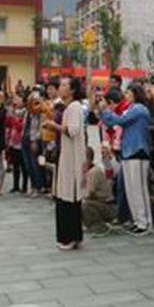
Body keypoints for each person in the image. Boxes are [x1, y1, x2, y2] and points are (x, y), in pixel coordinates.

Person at [100, 83, 154, 236]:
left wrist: (105, 110)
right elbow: (113, 121)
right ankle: (138, 221)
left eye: (129, 93)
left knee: (138, 189)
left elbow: (119, 120)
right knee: (131, 189)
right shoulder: (132, 109)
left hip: (138, 151)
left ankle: (145, 222)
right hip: (129, 151)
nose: (126, 95)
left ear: (136, 94)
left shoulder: (139, 109)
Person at [44, 77, 87, 250]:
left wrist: (53, 125)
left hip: (71, 159)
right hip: (65, 156)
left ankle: (69, 237)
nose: (60, 88)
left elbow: (72, 130)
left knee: (68, 196)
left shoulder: (74, 107)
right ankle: (72, 236)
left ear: (72, 90)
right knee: (65, 196)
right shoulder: (68, 107)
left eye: (64, 85)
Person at [81, 146, 117, 237]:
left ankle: (100, 227)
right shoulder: (88, 171)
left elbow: (88, 194)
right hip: (101, 203)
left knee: (84, 205)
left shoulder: (93, 172)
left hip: (108, 206)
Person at [22, 92, 46, 197]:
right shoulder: (27, 113)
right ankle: (32, 186)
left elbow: (40, 129)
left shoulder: (40, 114)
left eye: (34, 101)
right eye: (30, 101)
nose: (32, 104)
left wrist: (35, 140)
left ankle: (38, 187)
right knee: (28, 165)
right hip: (25, 139)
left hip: (34, 140)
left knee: (35, 164)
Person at [6, 93, 28, 194]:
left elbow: (20, 127)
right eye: (15, 99)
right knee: (15, 165)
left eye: (18, 99)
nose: (16, 101)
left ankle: (24, 186)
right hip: (13, 141)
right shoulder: (13, 111)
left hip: (21, 141)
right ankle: (15, 185)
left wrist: (14, 119)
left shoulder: (25, 112)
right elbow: (9, 124)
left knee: (23, 165)